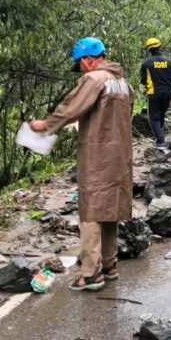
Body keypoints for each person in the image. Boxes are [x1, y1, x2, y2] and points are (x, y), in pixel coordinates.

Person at [30, 37, 134, 291]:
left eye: (79, 64)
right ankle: (109, 265)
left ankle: (90, 274)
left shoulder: (93, 79)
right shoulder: (123, 84)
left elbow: (71, 109)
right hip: (120, 155)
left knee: (91, 211)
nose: (80, 69)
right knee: (109, 209)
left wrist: (46, 125)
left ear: (87, 59)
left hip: (98, 155)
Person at [139, 37, 171, 147]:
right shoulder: (169, 62)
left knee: (154, 118)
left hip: (153, 93)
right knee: (161, 115)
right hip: (167, 93)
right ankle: (160, 138)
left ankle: (160, 141)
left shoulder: (146, 63)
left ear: (149, 49)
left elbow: (143, 81)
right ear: (160, 46)